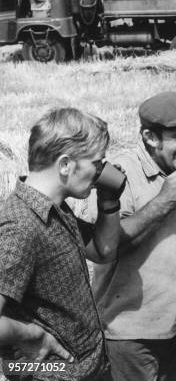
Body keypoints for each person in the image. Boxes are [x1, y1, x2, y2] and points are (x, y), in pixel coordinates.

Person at [90, 91, 176, 381]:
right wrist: (163, 202)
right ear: (150, 137)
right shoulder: (120, 175)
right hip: (130, 332)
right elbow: (107, 247)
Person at [0, 108, 124, 380]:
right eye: (97, 163)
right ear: (66, 165)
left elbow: (104, 251)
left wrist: (109, 200)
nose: (101, 172)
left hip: (89, 368)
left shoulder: (55, 209)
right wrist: (33, 335)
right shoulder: (20, 225)